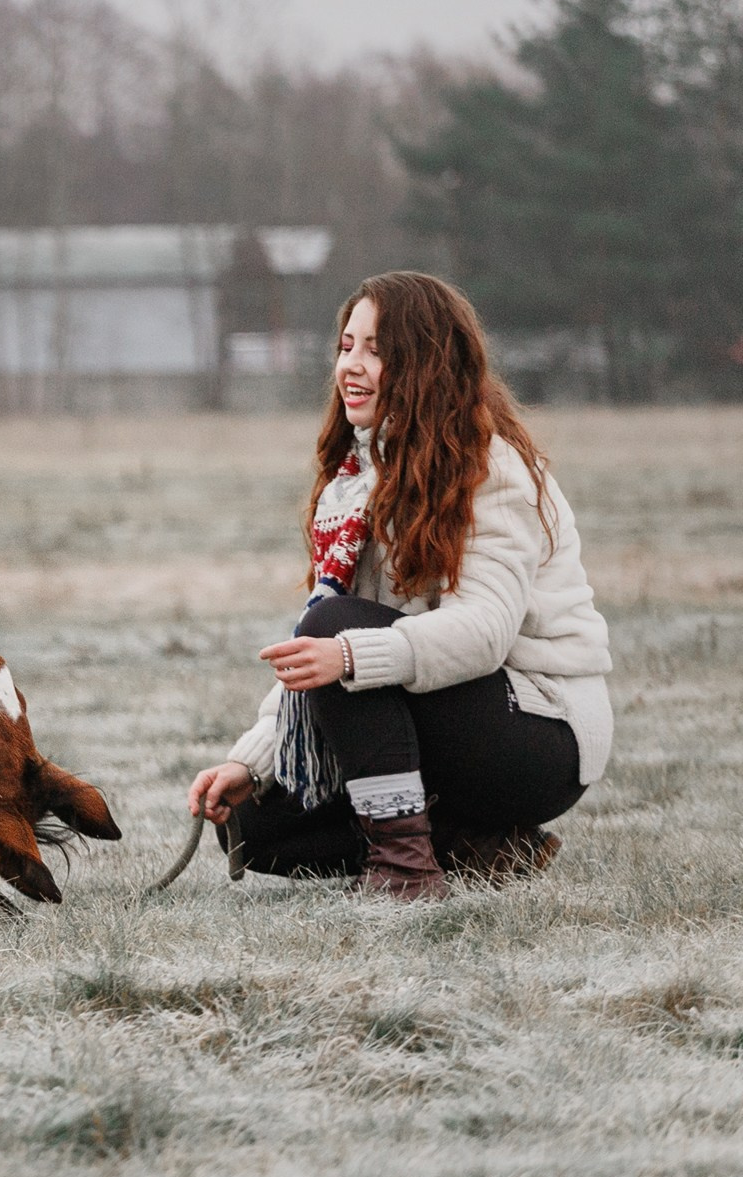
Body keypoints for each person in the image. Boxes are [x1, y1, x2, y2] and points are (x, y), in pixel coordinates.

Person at [185, 272, 612, 900]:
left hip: (538, 730)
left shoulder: (489, 469)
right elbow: (325, 649)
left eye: (376, 350)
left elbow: (485, 632)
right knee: (252, 827)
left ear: (425, 365)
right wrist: (252, 761)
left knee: (340, 637)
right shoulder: (355, 486)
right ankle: (479, 846)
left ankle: (406, 870)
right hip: (436, 710)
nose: (351, 366)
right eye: (347, 345)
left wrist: (351, 656)